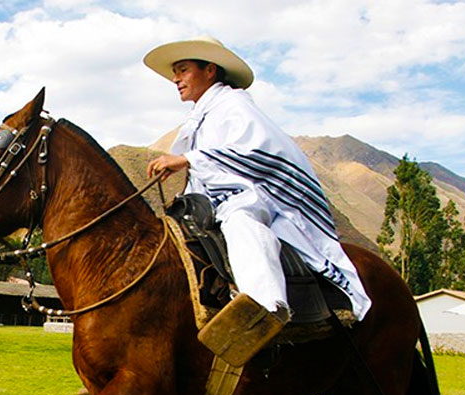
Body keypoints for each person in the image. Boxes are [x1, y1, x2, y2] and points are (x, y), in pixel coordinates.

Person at [144, 36, 371, 365]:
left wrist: (188, 160)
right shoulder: (201, 117)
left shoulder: (234, 105)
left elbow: (256, 152)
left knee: (242, 222)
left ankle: (265, 310)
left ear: (210, 70)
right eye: (175, 73)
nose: (176, 79)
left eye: (182, 70)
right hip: (216, 201)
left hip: (256, 196)